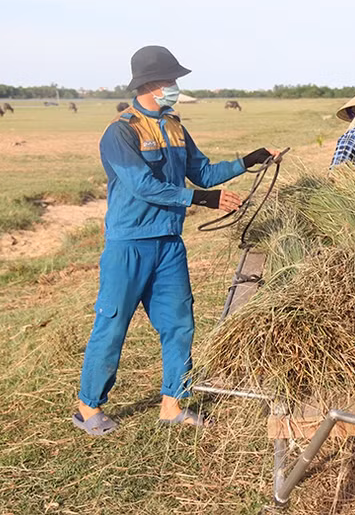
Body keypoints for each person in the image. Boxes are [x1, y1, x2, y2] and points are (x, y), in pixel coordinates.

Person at [73, 45, 278, 435]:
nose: (175, 87)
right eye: (170, 81)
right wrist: (201, 199)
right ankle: (88, 407)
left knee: (179, 323)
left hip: (169, 244)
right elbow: (143, 185)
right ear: (150, 84)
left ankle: (172, 403)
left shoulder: (174, 126)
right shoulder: (120, 133)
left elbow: (202, 172)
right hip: (129, 245)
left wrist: (246, 162)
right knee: (112, 325)